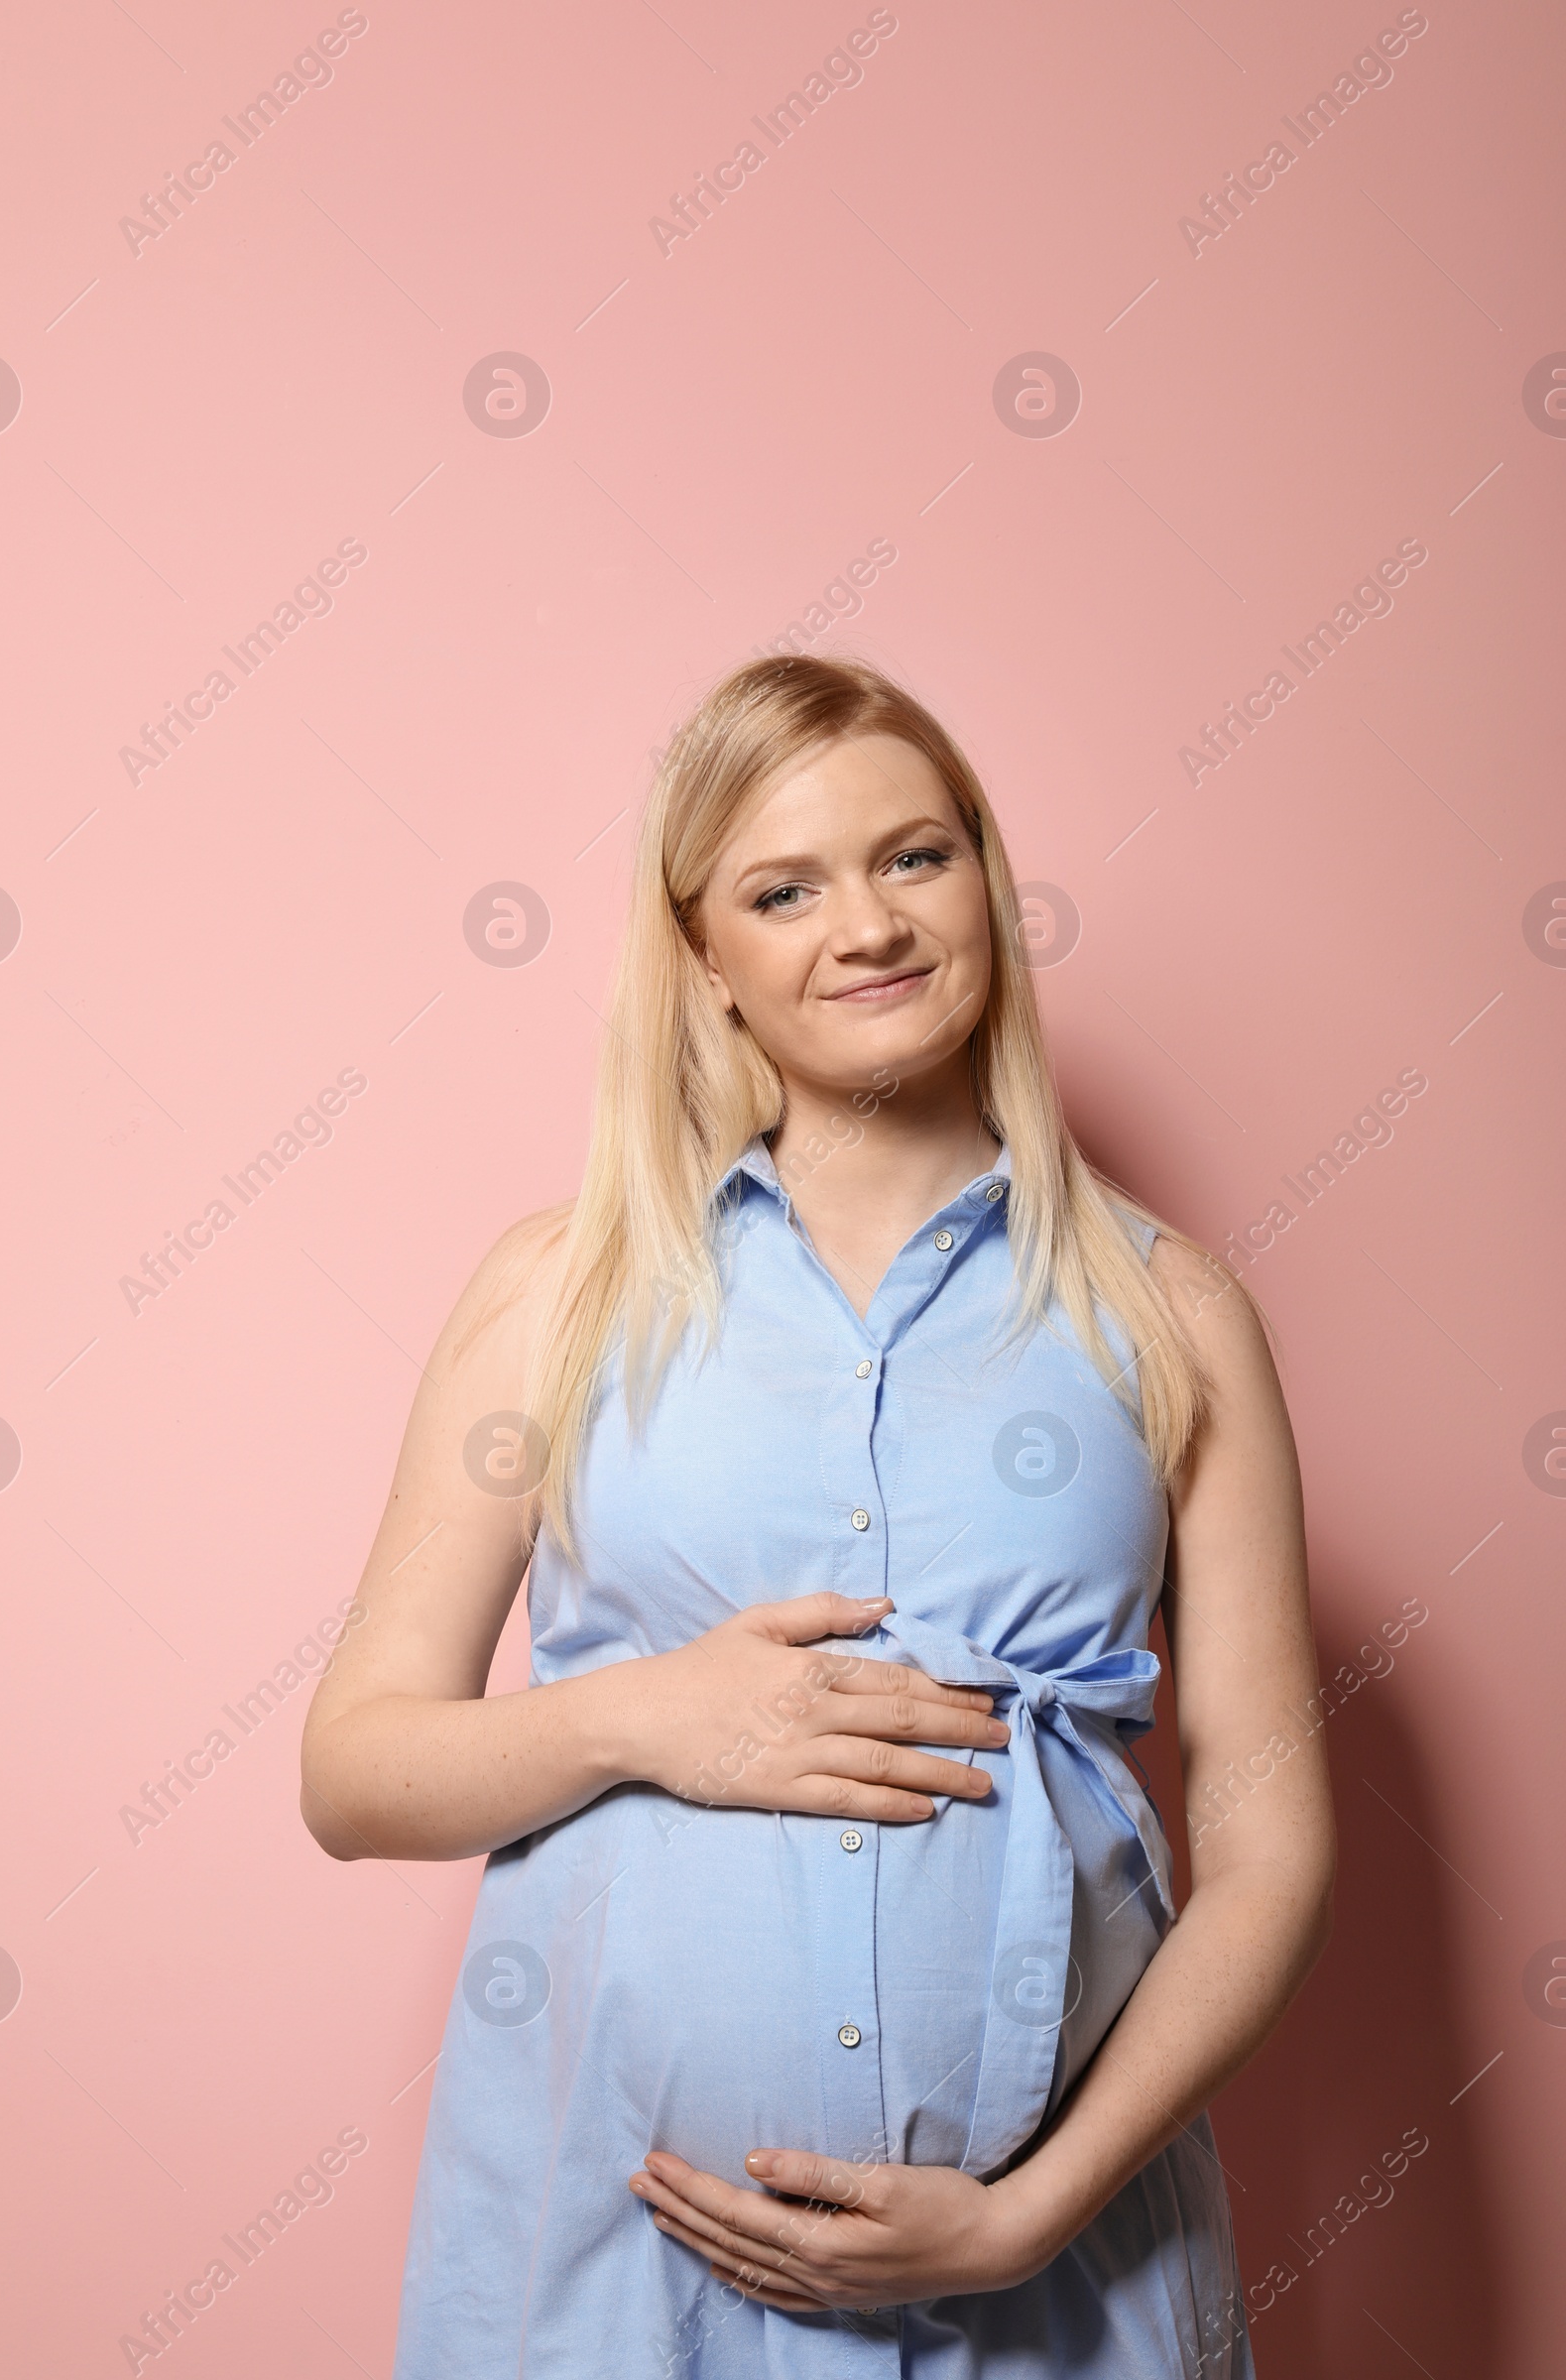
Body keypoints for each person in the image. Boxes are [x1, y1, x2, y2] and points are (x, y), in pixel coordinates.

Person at [300, 654, 1335, 2377]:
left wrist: (1036, 2207)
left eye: (914, 858)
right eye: (785, 889)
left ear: (989, 885)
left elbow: (1274, 1850)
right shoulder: (556, 1296)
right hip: (620, 2280)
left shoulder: (1175, 1316)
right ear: (704, 953)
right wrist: (652, 1718)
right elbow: (354, 1769)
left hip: (1061, 2286)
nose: (868, 925)